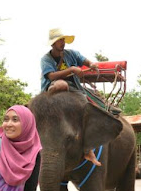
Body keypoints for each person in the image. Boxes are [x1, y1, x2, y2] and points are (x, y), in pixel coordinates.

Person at [40, 28, 102, 165]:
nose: (62, 43)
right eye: (59, 40)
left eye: (63, 39)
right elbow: (51, 76)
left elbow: (85, 61)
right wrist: (72, 69)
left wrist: (91, 65)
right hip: (54, 88)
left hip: (75, 90)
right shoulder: (46, 59)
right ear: (52, 44)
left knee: (87, 109)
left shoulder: (71, 54)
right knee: (61, 84)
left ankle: (88, 149)